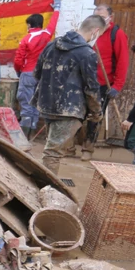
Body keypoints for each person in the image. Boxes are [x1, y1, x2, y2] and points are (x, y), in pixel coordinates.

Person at [31, 14, 106, 175]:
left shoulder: (51, 45)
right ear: (95, 31)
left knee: (51, 148)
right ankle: (45, 190)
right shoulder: (87, 53)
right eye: (98, 35)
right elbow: (91, 88)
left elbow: (37, 73)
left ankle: (44, 186)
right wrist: (96, 112)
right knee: (52, 152)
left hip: (47, 104)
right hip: (69, 109)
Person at [81, 4, 130, 160]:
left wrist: (117, 85)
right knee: (77, 114)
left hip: (103, 84)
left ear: (110, 17)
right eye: (96, 17)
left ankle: (88, 149)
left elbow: (123, 61)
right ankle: (68, 146)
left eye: (102, 17)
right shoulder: (91, 32)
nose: (98, 21)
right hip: (84, 81)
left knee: (95, 117)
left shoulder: (117, 34)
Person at [14, 0, 61, 138]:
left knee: (26, 104)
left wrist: (18, 71)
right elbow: (54, 22)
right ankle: (32, 132)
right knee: (35, 103)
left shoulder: (26, 39)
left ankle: (24, 137)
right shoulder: (47, 35)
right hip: (42, 75)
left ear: (29, 25)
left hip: (27, 73)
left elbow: (18, 59)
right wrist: (57, 8)